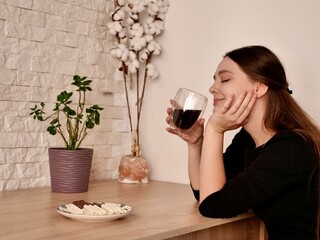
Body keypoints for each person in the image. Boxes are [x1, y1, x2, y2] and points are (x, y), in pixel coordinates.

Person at [166, 45, 320, 240]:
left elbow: (212, 205)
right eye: (215, 80)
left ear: (259, 87)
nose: (212, 88)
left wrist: (215, 129)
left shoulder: (291, 147)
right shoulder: (247, 140)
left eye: (225, 79)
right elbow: (204, 193)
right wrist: (196, 143)